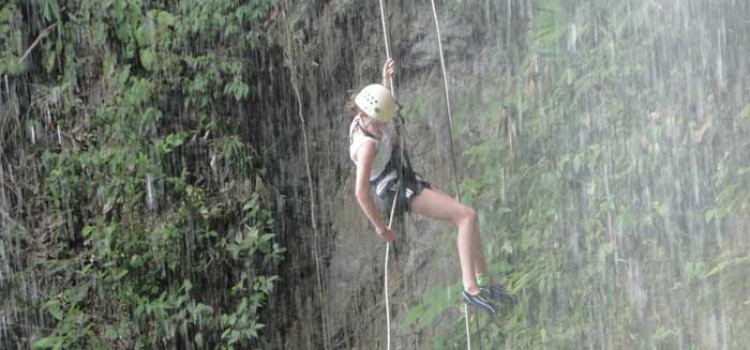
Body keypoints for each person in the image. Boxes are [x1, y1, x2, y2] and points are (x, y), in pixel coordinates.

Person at [347, 59, 510, 315]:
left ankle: (484, 281)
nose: (382, 126)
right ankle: (470, 289)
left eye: (383, 121)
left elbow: (378, 103)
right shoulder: (367, 145)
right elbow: (360, 192)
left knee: (466, 215)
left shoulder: (367, 117)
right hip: (395, 190)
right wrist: (380, 227)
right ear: (362, 117)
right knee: (466, 216)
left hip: (403, 177)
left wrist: (385, 80)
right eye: (377, 123)